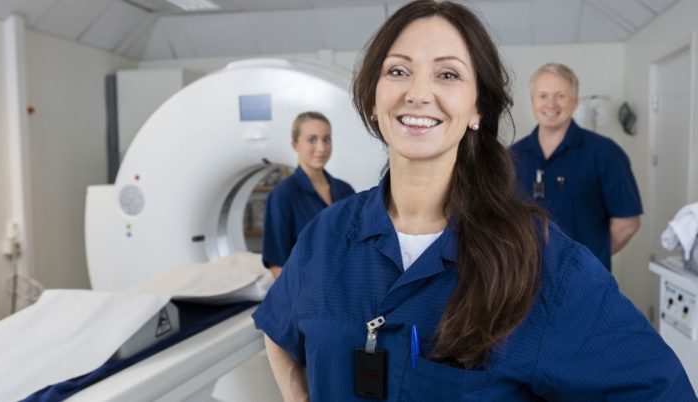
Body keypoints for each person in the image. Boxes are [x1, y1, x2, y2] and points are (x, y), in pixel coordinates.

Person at [252, 1, 695, 401]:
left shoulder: (541, 264)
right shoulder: (325, 236)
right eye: (398, 71)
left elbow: (661, 390)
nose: (418, 93)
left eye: (447, 74)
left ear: (478, 107)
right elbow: (277, 328)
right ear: (372, 99)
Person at [510, 63, 642, 271]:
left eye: (561, 96)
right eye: (543, 96)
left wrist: (588, 261)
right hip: (526, 278)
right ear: (532, 101)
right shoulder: (512, 156)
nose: (551, 104)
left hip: (585, 280)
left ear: (575, 101)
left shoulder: (605, 153)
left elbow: (627, 223)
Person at [262, 111, 355, 279]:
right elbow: (277, 266)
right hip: (304, 289)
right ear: (295, 144)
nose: (322, 148)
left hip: (346, 283)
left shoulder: (346, 191)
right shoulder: (282, 195)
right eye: (312, 140)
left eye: (327, 139)